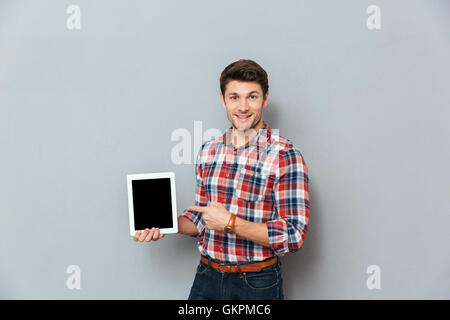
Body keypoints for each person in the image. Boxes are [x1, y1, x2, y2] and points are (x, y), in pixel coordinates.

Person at [133, 59, 310, 300]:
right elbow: (202, 219)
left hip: (256, 283)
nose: (243, 107)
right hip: (207, 276)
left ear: (265, 99)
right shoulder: (209, 151)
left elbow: (294, 234)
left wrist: (231, 222)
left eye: (252, 97)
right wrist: (164, 223)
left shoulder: (284, 154)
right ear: (223, 100)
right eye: (234, 97)